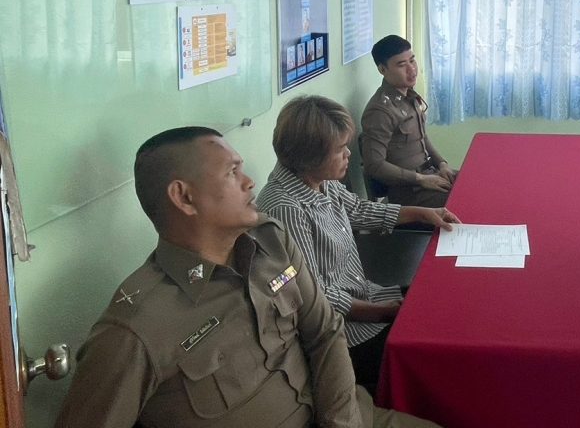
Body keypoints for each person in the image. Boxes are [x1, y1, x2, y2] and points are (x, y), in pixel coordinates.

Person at [56, 126, 442, 428]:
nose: (249, 181)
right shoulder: (135, 329)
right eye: (232, 172)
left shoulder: (270, 240)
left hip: (346, 415)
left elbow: (325, 332)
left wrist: (343, 422)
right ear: (184, 197)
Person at [257, 95, 460, 390]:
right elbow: (314, 294)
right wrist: (385, 312)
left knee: (442, 299)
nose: (348, 155)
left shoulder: (319, 180)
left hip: (365, 296)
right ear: (310, 156)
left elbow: (359, 209)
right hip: (342, 332)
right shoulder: (285, 209)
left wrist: (423, 213)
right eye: (341, 149)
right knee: (432, 355)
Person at [361, 36, 457, 207]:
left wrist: (442, 164)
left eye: (412, 60)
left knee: (480, 183)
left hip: (430, 174)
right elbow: (374, 165)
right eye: (401, 65)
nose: (411, 69)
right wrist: (421, 179)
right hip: (409, 192)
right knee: (470, 199)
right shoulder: (380, 111)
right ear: (382, 69)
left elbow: (422, 138)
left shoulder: (409, 96)